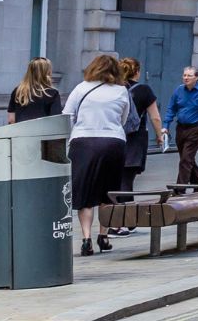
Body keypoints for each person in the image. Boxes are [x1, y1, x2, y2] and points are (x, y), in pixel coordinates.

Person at [64, 54, 134, 256]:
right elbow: (124, 118)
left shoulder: (81, 88)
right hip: (113, 142)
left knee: (85, 193)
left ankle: (86, 238)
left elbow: (67, 116)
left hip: (83, 142)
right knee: (108, 191)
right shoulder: (122, 91)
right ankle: (103, 235)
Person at [109, 57, 163, 237]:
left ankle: (128, 220)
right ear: (137, 71)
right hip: (135, 138)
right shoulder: (144, 90)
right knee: (126, 181)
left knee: (119, 179)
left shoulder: (112, 89)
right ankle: (122, 223)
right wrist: (160, 135)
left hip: (114, 137)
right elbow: (155, 117)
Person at [7, 57, 62, 123]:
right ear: (47, 72)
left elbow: (11, 119)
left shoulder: (18, 91)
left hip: (20, 132)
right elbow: (56, 120)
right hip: (42, 132)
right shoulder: (53, 93)